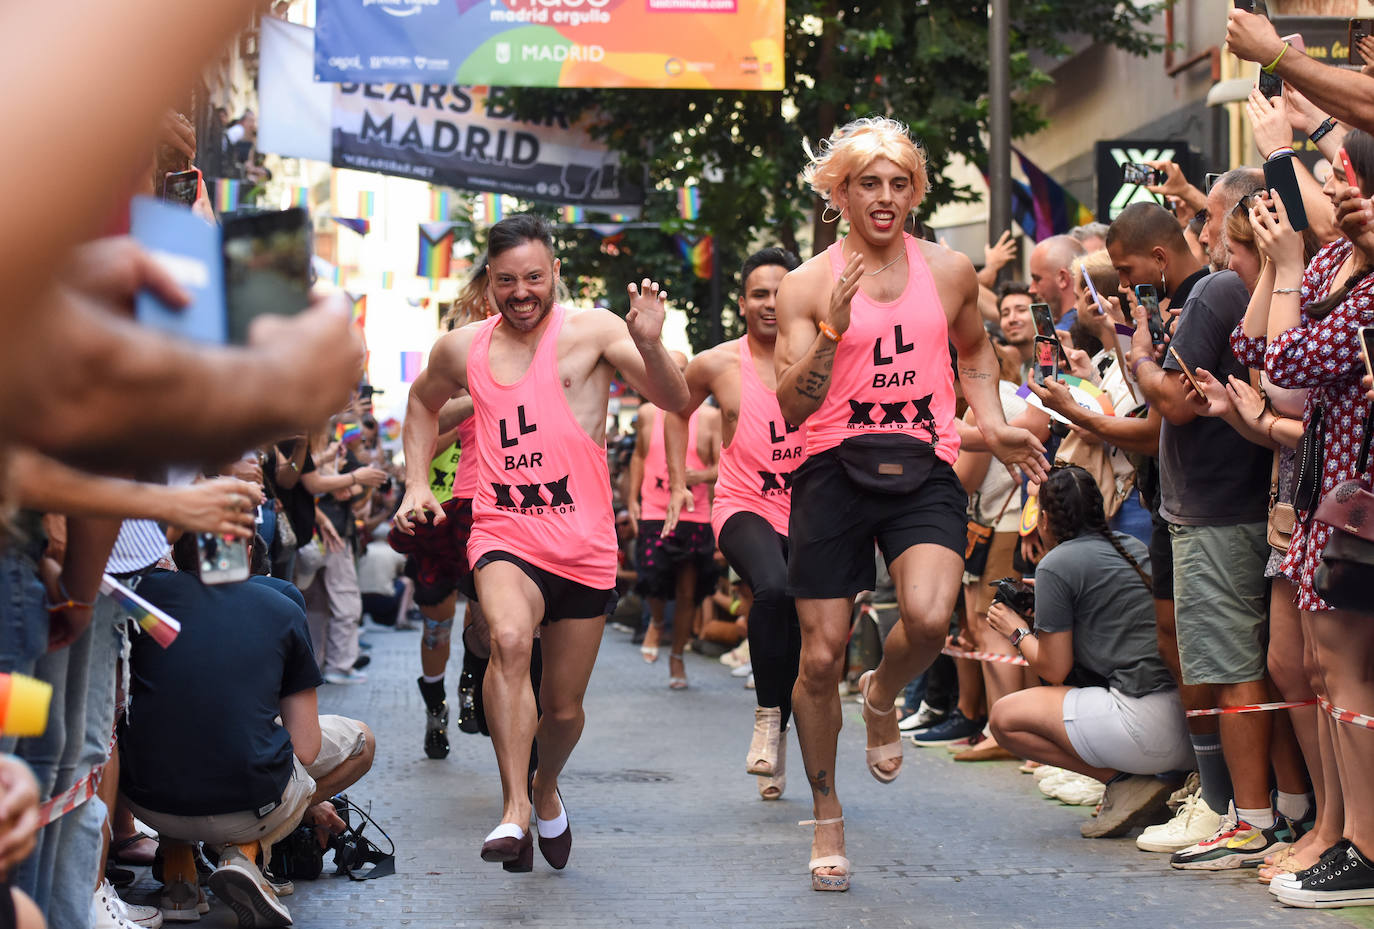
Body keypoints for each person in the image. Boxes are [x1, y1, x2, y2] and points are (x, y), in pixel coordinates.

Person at [774, 116, 1047, 892]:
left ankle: (883, 693)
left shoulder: (951, 270)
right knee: (819, 655)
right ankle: (827, 814)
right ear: (841, 194)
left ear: (915, 193)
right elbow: (792, 405)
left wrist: (990, 421)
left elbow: (975, 349)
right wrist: (830, 331)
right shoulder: (806, 283)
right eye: (869, 184)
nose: (885, 197)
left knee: (929, 618)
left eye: (899, 183)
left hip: (923, 464)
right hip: (831, 468)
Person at [394, 213, 689, 873]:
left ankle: (545, 784)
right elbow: (420, 403)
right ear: (489, 281)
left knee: (563, 707)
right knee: (506, 639)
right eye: (507, 281)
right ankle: (514, 809)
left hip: (584, 545)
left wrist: (650, 344)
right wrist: (415, 482)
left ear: (554, 271)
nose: (521, 292)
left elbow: (674, 398)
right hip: (504, 530)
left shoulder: (596, 331)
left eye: (533, 277)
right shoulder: (461, 348)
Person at [121, 531, 374, 926]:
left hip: (148, 802)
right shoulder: (280, 602)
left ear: (173, 549)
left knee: (173, 728)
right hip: (246, 804)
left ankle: (178, 872)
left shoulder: (141, 594)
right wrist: (306, 802)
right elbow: (306, 748)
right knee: (362, 741)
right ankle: (244, 853)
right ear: (249, 551)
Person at [661, 246, 803, 798]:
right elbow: (676, 410)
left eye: (780, 293)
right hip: (744, 504)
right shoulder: (717, 363)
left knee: (805, 633)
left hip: (810, 511)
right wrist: (679, 481)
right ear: (742, 303)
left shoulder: (823, 356)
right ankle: (768, 717)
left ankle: (782, 736)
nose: (769, 303)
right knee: (773, 587)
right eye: (759, 294)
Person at [987, 467, 1192, 838]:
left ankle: (1123, 782)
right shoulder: (1132, 546)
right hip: (1187, 724)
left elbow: (1053, 668)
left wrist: (1015, 630)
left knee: (1004, 718)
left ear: (1043, 520)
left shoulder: (1055, 564)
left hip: (1145, 729)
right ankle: (1141, 779)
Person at [626, 352, 721, 689]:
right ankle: (655, 620)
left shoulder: (710, 417)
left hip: (696, 513)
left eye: (682, 370)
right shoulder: (646, 413)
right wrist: (632, 499)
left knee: (687, 592)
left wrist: (700, 475)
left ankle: (677, 656)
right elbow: (639, 456)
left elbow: (724, 465)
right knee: (651, 574)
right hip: (655, 508)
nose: (675, 376)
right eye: (669, 369)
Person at [1028, 235, 1086, 330]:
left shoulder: (1062, 334)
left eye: (1037, 279)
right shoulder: (1101, 326)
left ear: (1063, 279)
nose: (1031, 289)